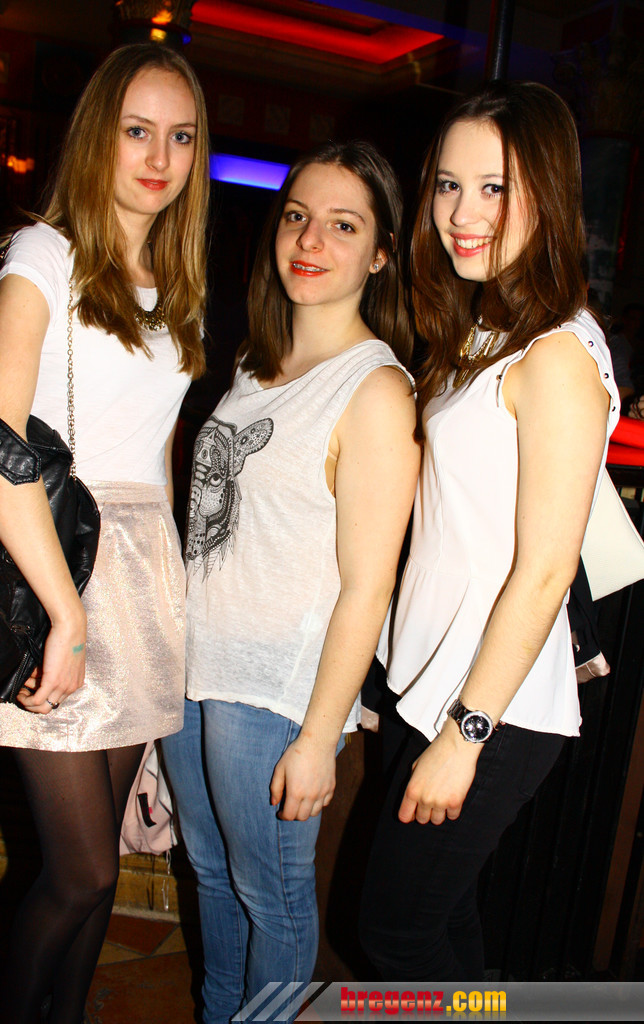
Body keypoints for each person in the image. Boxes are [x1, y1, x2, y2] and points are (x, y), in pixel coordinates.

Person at [0, 43, 209, 1023]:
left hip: (142, 582)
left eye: (180, 137)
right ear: (97, 133)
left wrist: (169, 596)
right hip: (56, 568)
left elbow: (156, 453)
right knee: (76, 872)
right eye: (137, 131)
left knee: (99, 868)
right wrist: (66, 615)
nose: (159, 157)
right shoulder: (44, 256)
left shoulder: (170, 279)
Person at [359, 81, 619, 982]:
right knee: (441, 924)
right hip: (434, 676)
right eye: (448, 185)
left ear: (547, 193)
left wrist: (466, 734)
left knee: (395, 933)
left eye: (494, 188)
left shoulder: (557, 353)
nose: (462, 215)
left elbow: (546, 570)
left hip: (491, 704)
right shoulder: (489, 331)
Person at [163, 140, 419, 1022]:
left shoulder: (376, 390)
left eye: (344, 225)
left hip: (274, 694)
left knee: (269, 897)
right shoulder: (254, 363)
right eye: (299, 216)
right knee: (208, 873)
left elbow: (368, 586)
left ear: (381, 254)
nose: (311, 240)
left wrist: (318, 737)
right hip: (195, 669)